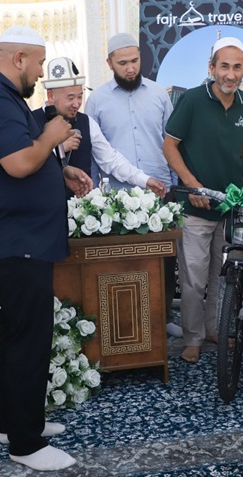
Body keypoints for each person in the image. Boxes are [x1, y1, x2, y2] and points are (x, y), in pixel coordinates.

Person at [0, 25, 90, 472]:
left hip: (20, 238)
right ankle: (26, 445)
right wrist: (51, 137)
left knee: (19, 334)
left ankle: (15, 424)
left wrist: (59, 171)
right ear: (18, 59)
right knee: (28, 339)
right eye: (38, 63)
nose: (39, 73)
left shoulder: (2, 95)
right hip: (13, 240)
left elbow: (21, 157)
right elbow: (17, 164)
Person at [163, 37, 243, 364]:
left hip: (231, 208)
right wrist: (193, 186)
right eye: (224, 66)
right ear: (211, 68)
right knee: (193, 280)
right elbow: (169, 146)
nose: (230, 74)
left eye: (237, 67)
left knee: (224, 275)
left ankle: (213, 328)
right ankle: (192, 338)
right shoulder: (192, 100)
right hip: (196, 208)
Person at [85, 33, 182, 338]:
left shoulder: (158, 94)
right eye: (123, 63)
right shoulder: (97, 100)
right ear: (109, 63)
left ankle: (164, 317)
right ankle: (127, 323)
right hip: (119, 195)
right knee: (125, 261)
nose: (130, 68)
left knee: (164, 258)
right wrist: (93, 194)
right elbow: (94, 151)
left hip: (160, 190)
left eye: (135, 61)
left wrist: (175, 185)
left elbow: (171, 142)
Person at [32, 56, 166, 199]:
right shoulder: (31, 120)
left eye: (80, 97)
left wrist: (145, 180)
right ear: (51, 96)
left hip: (81, 207)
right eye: (70, 98)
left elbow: (110, 159)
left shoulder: (86, 122)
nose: (77, 104)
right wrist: (58, 149)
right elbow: (24, 163)